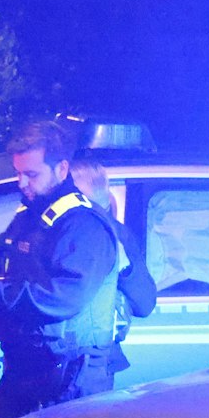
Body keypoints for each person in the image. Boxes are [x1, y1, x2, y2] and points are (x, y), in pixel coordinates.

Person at [0, 120, 121, 418]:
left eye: (32, 174)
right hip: (30, 370)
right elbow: (13, 255)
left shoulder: (83, 225)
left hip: (69, 380)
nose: (22, 183)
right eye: (18, 173)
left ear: (62, 169)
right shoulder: (35, 212)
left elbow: (62, 297)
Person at [69, 155, 157, 393]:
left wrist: (123, 265)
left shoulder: (115, 237)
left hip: (90, 364)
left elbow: (145, 302)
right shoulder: (56, 229)